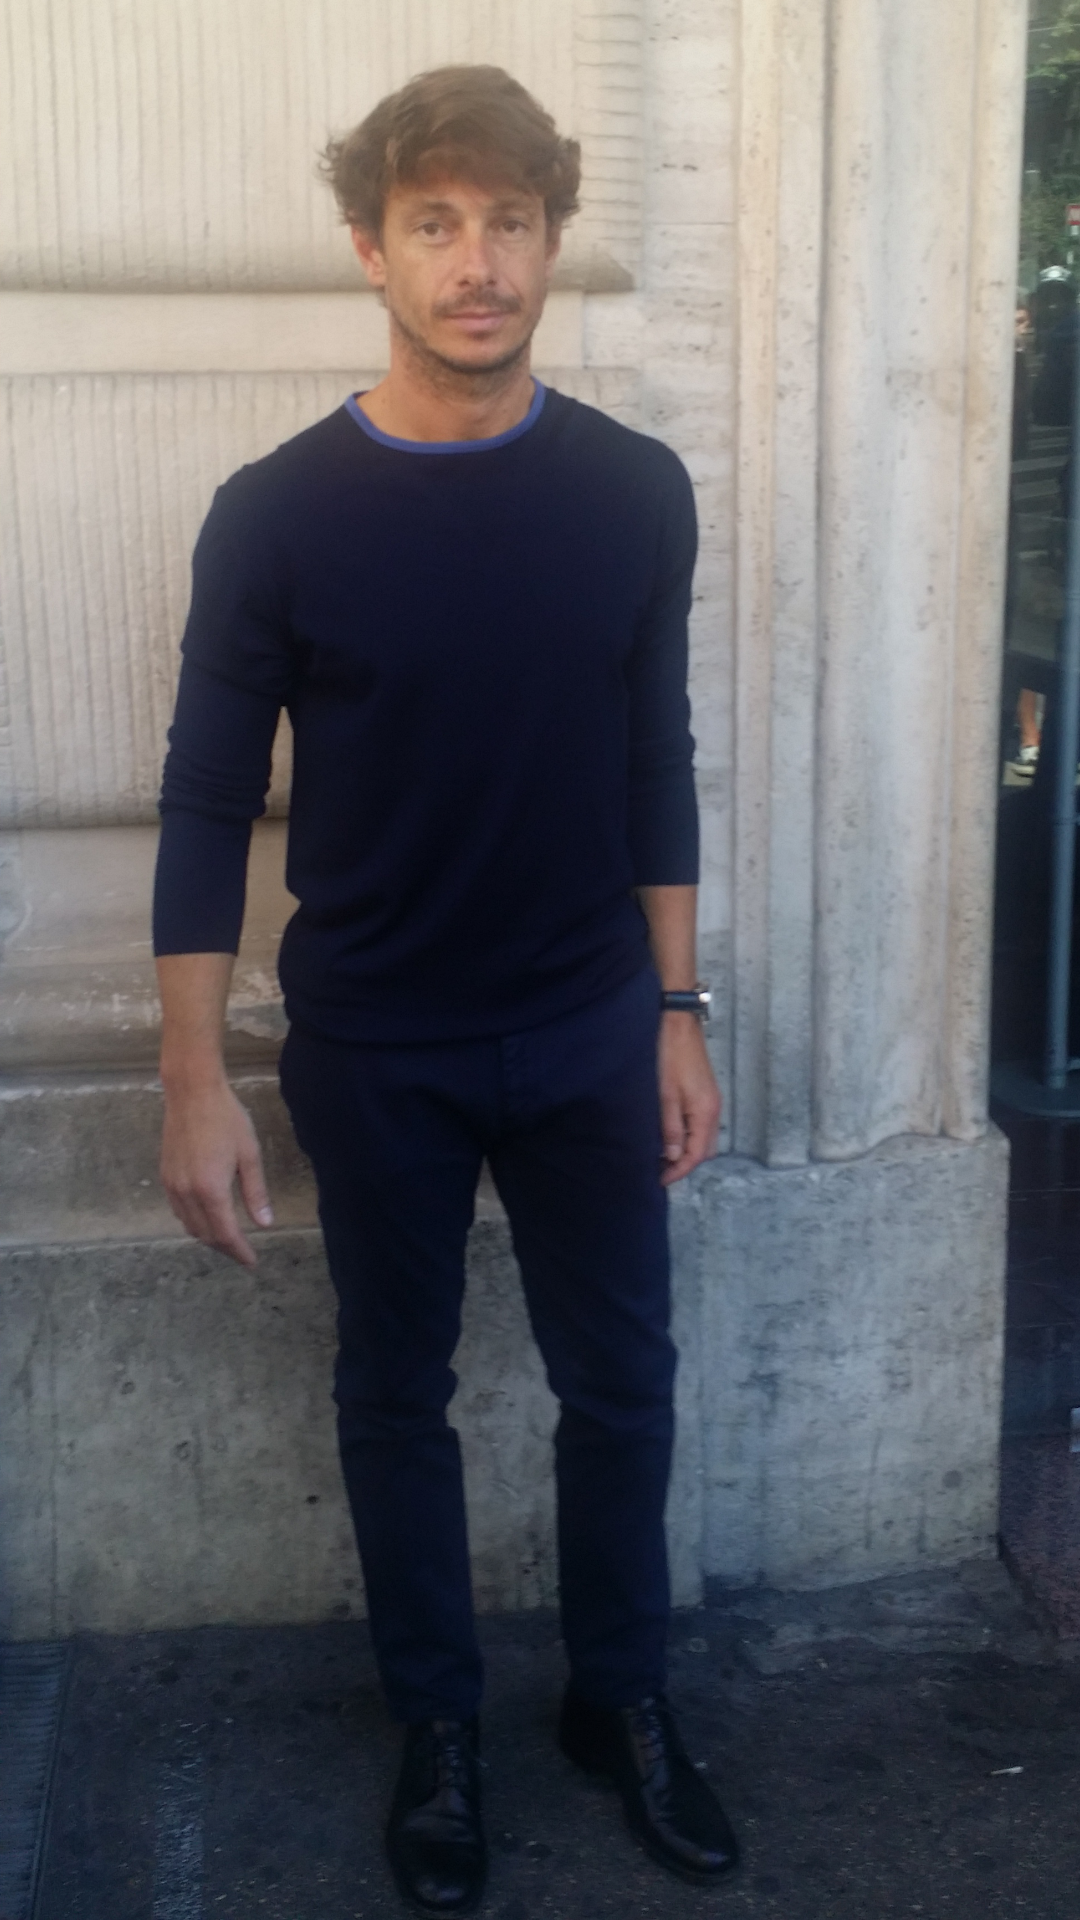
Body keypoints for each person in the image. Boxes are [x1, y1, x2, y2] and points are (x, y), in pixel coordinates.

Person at [153, 64, 739, 1914]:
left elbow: (654, 758)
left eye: (507, 221)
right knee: (394, 1391)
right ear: (371, 248)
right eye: (434, 223)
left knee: (622, 1383)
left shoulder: (635, 493)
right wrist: (193, 1077)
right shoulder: (274, 515)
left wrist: (678, 1012)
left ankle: (619, 1698)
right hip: (375, 1043)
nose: (475, 262)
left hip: (586, 1026)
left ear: (551, 242)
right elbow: (204, 798)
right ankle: (440, 1724)